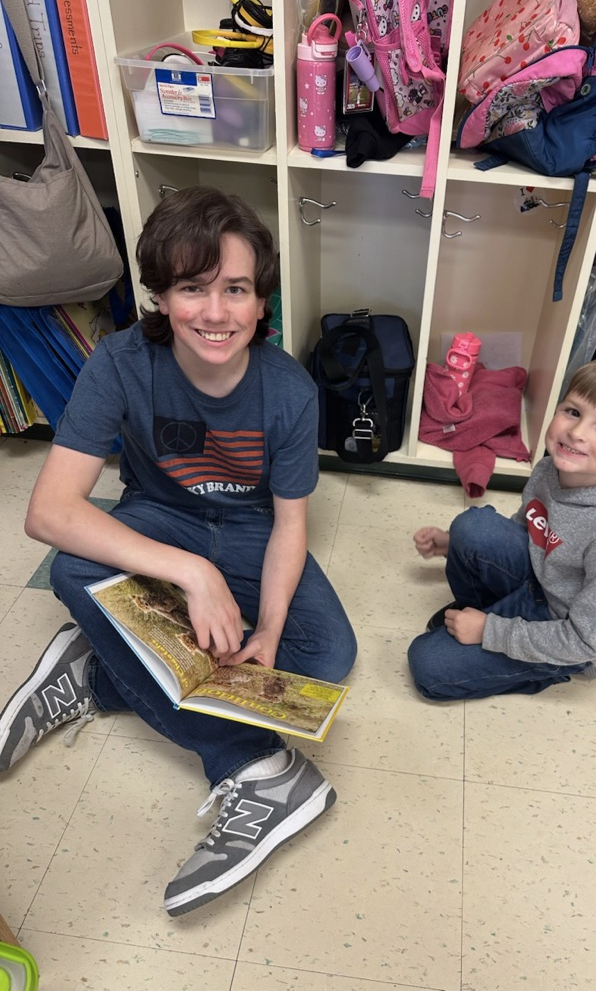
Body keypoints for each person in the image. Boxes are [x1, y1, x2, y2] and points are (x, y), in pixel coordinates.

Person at [0, 185, 357, 916]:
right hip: (161, 518)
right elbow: (49, 512)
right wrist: (191, 572)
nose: (217, 312)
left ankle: (93, 677)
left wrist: (269, 630)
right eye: (194, 288)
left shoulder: (288, 390)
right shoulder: (120, 361)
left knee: (322, 662)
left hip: (254, 527)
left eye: (236, 289)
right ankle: (254, 770)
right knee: (73, 568)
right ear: (160, 295)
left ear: (263, 302)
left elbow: (291, 524)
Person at [408, 354, 596, 699]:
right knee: (472, 526)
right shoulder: (555, 467)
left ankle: (548, 668)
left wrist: (492, 631)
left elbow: (585, 640)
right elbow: (528, 528)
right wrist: (452, 544)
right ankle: (487, 612)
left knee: (428, 665)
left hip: (566, 631)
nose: (576, 433)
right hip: (540, 578)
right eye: (573, 412)